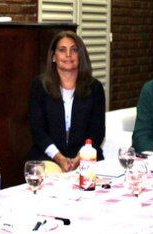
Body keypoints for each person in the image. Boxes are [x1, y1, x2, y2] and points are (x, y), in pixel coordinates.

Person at [28, 31, 106, 171]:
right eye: (62, 50)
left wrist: (79, 158)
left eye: (74, 50)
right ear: (53, 56)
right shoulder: (39, 86)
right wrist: (59, 157)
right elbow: (37, 130)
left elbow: (97, 131)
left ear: (80, 55)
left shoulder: (95, 88)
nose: (68, 55)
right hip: (48, 156)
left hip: (86, 156)